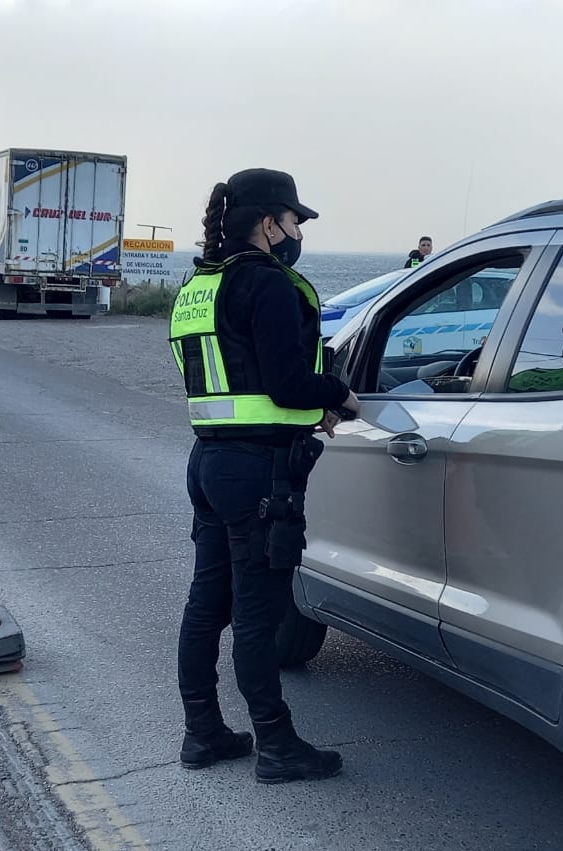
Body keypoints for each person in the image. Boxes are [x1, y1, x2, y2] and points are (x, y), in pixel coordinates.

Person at [168, 168, 362, 784]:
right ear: (270, 220)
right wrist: (339, 395)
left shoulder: (197, 287)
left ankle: (204, 734)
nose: (298, 230)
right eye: (296, 219)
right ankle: (277, 746)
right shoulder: (271, 285)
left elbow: (237, 378)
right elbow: (285, 382)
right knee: (257, 616)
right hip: (259, 474)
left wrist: (303, 404)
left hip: (208, 463)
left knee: (207, 606)